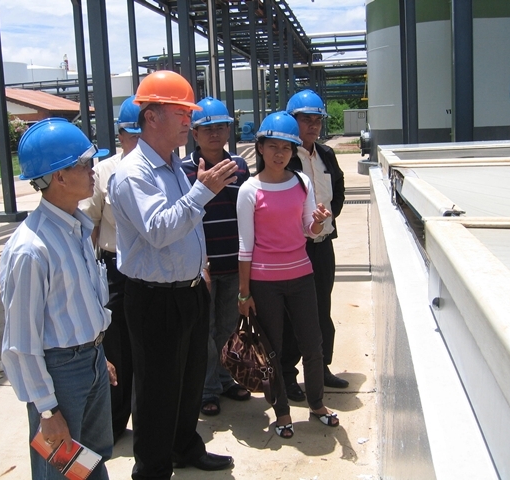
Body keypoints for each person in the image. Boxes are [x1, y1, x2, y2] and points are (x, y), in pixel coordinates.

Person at [108, 71, 239, 480]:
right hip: (155, 298)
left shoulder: (173, 166)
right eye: (181, 113)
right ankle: (152, 469)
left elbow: (188, 227)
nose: (189, 121)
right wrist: (204, 191)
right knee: (157, 391)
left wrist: (200, 267)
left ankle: (184, 446)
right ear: (151, 117)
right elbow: (160, 230)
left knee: (189, 380)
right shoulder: (133, 173)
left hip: (189, 290)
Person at [0, 118, 115, 479]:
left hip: (90, 361)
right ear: (60, 177)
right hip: (60, 372)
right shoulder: (31, 249)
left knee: (91, 461)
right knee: (61, 469)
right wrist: (47, 411)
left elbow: (80, 303)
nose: (93, 170)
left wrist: (98, 356)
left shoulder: (77, 227)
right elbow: (21, 342)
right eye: (85, 164)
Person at [236, 111, 340, 439]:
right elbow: (245, 247)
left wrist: (319, 222)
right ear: (260, 148)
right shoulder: (249, 190)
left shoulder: (301, 183)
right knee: (274, 350)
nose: (279, 153)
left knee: (313, 344)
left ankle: (317, 404)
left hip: (301, 276)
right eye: (273, 146)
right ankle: (281, 411)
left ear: (293, 151)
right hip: (264, 282)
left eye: (286, 148)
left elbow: (309, 229)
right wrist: (244, 293)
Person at [181, 97, 252, 416]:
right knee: (205, 332)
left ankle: (225, 380)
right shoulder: (183, 170)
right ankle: (207, 389)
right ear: (194, 133)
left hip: (234, 263)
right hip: (203, 269)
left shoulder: (240, 166)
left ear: (228, 131)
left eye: (221, 127)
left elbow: (248, 214)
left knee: (227, 328)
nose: (215, 133)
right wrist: (199, 263)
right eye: (207, 128)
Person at [78, 95, 140, 443]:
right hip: (116, 268)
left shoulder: (165, 169)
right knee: (118, 349)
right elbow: (90, 225)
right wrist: (89, 273)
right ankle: (115, 423)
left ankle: (150, 419)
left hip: (152, 270)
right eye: (132, 136)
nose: (139, 143)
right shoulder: (104, 172)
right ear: (120, 135)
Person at [281, 89, 348, 403]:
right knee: (291, 313)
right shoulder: (283, 156)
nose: (313, 125)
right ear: (293, 120)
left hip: (322, 245)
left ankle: (321, 369)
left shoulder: (326, 155)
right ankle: (287, 374)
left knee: (322, 308)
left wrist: (327, 219)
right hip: (295, 249)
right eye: (306, 119)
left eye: (317, 119)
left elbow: (339, 190)